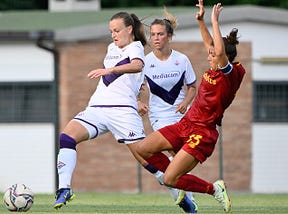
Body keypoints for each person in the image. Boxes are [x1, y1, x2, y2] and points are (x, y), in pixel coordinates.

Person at [52, 11, 196, 213]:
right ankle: (64, 189)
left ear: (129, 29)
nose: (113, 34)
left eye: (117, 30)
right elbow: (130, 83)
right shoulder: (111, 47)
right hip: (97, 108)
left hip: (122, 113)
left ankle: (182, 194)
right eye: (111, 31)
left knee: (147, 159)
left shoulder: (136, 47)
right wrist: (137, 98)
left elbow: (137, 66)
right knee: (67, 137)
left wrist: (110, 71)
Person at [136, 1, 246, 213]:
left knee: (170, 179)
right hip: (186, 124)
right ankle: (180, 177)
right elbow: (211, 45)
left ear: (224, 57)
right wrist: (201, 21)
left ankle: (214, 189)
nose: (209, 55)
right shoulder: (216, 65)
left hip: (203, 132)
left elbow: (219, 52)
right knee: (143, 149)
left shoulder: (229, 74)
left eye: (212, 54)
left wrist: (214, 21)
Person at [138, 7, 198, 212]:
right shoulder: (145, 62)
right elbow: (134, 87)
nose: (155, 38)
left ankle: (184, 195)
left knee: (181, 157)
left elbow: (192, 86)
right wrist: (138, 102)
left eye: (160, 34)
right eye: (152, 34)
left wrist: (185, 103)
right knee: (173, 152)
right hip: (159, 116)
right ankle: (184, 197)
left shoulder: (181, 59)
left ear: (169, 36)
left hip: (182, 115)